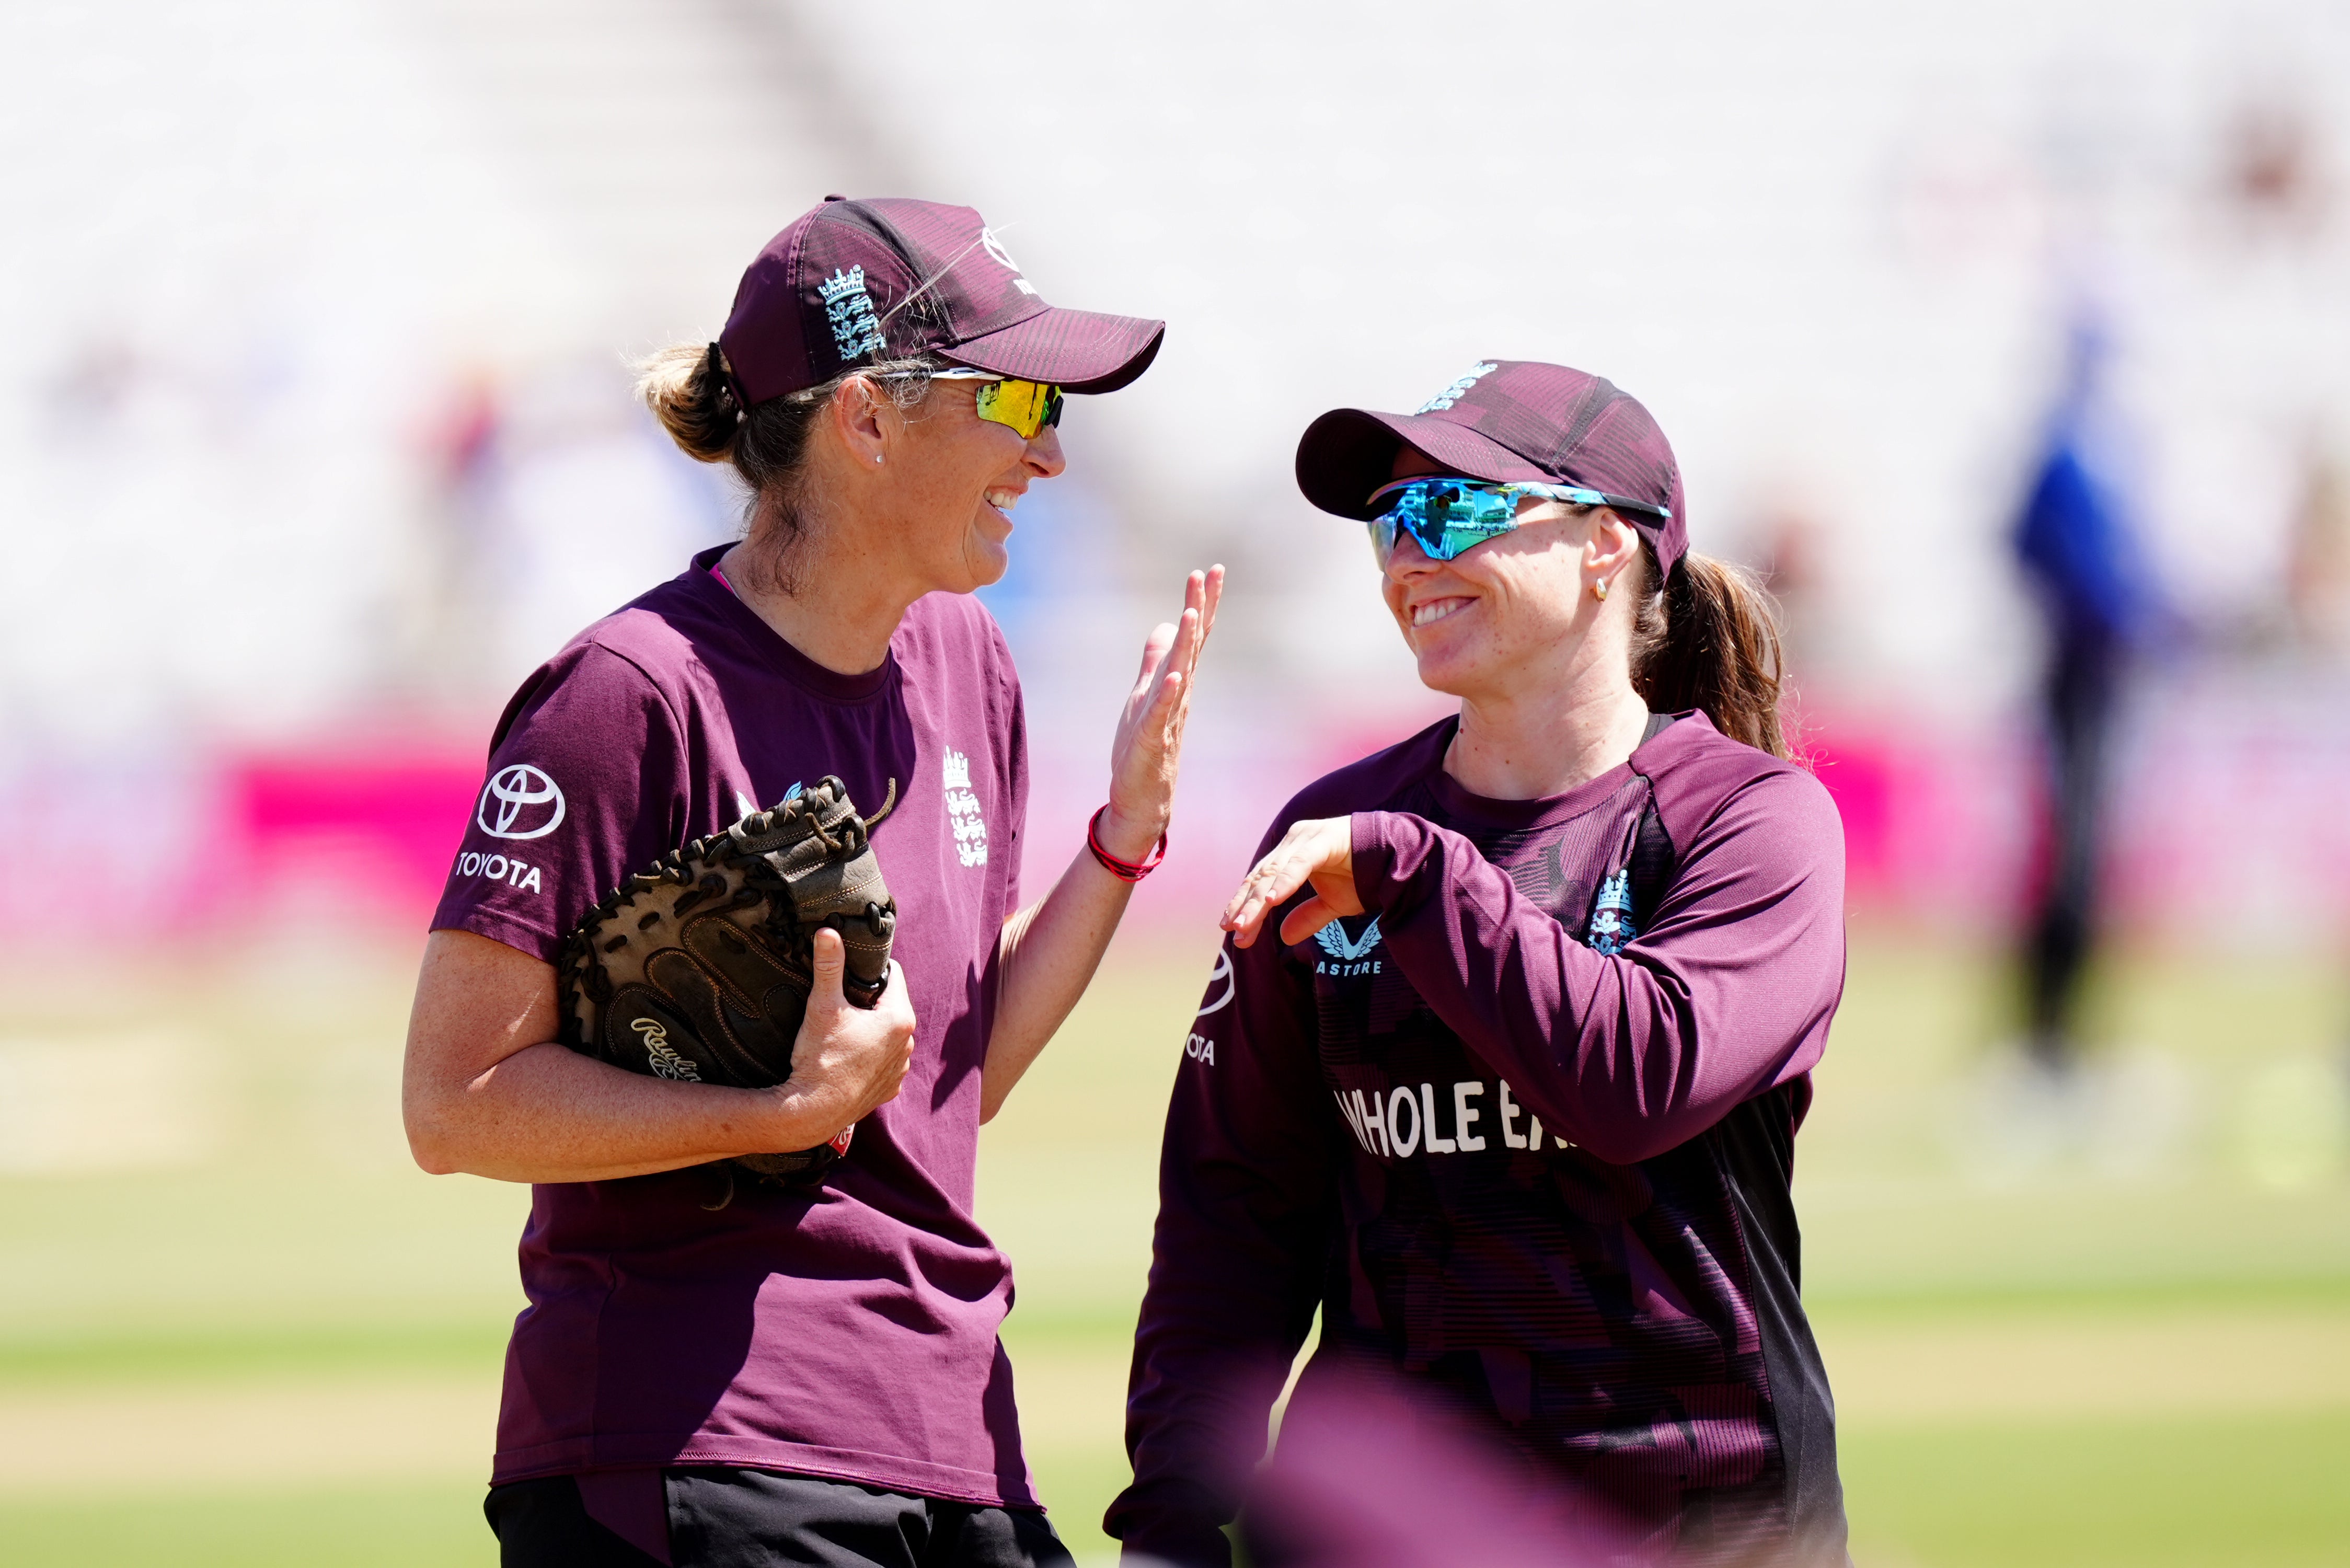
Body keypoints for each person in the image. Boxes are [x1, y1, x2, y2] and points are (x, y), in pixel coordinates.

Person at [402, 195, 1222, 1568]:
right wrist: (776, 1106)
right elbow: (455, 1104)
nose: (1052, 451)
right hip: (697, 1450)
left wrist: (1120, 840)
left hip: (952, 1432)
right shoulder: (627, 697)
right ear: (868, 419)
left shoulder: (972, 671)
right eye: (1018, 396)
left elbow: (944, 1090)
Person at [1108, 362, 1849, 1565]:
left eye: (1452, 512)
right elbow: (1232, 1215)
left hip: (1695, 1526)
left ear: (1605, 545)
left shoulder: (1747, 821)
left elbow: (1638, 1081)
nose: (1406, 558)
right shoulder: (1336, 825)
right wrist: (1174, 1520)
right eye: (1387, 524)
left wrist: (1416, 874)